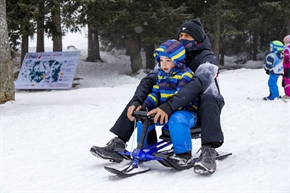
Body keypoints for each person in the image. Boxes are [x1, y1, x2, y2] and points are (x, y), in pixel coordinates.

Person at [90, 18, 224, 175]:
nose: (182, 39)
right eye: (180, 35)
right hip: (171, 99)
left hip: (199, 104)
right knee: (141, 102)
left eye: (187, 36)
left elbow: (198, 84)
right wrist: (137, 101)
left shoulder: (207, 57)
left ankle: (208, 150)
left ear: (198, 38)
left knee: (210, 97)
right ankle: (119, 141)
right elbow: (150, 80)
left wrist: (168, 107)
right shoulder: (171, 53)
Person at [131, 39, 199, 167]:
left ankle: (183, 154)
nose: (164, 64)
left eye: (168, 60)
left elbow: (180, 97)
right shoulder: (161, 75)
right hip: (165, 111)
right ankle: (146, 147)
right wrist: (145, 106)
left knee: (176, 118)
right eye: (161, 60)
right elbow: (155, 93)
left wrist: (165, 109)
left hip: (186, 112)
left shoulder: (186, 75)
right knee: (144, 118)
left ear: (178, 60)